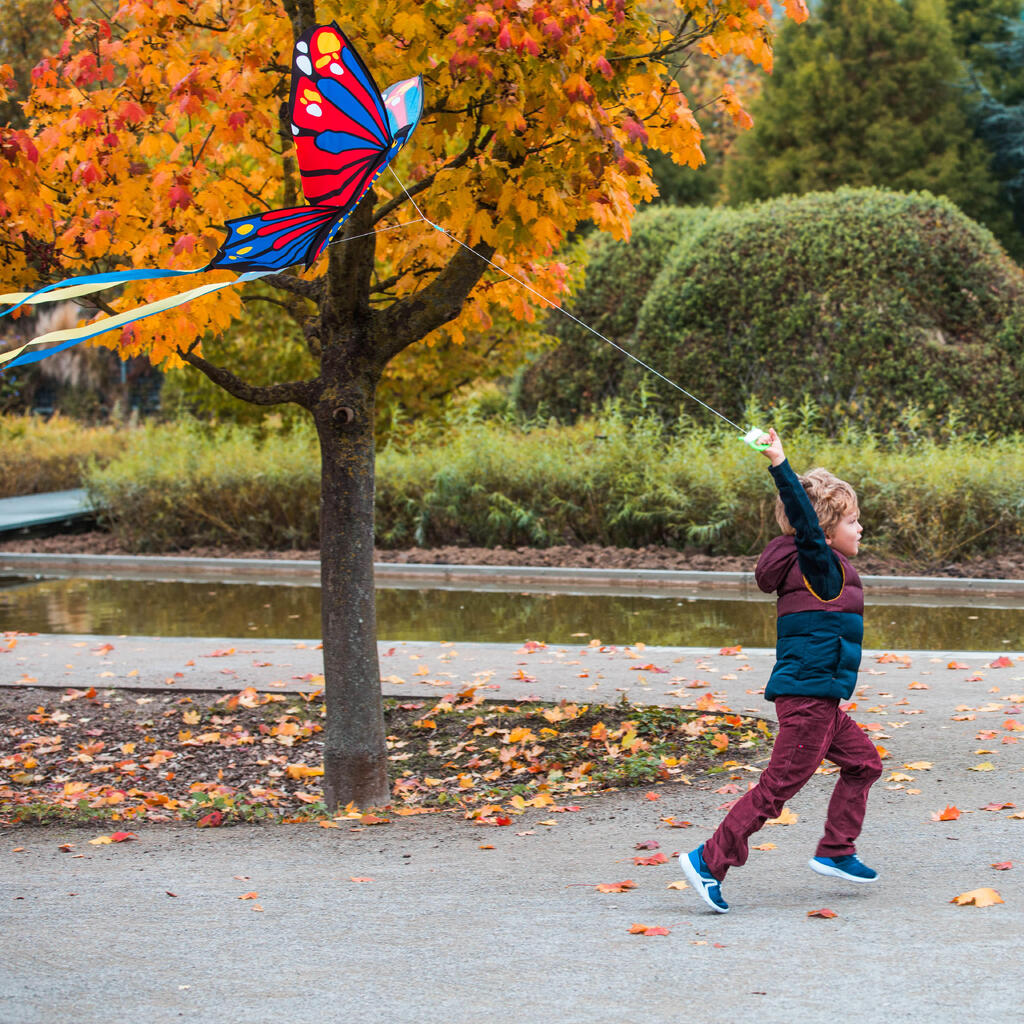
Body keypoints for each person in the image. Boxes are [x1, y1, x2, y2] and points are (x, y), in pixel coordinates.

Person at [679, 427, 883, 913]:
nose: (860, 529)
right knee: (777, 788)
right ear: (827, 528)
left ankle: (836, 850)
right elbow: (803, 520)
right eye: (853, 521)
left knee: (864, 764)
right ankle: (708, 860)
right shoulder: (819, 564)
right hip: (810, 700)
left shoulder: (815, 568)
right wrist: (779, 462)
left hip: (822, 699)